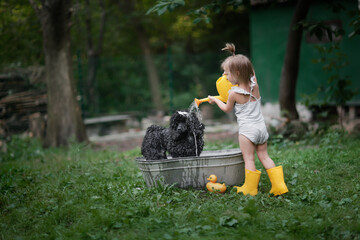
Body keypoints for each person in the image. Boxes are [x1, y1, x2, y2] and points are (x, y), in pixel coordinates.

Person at [208, 43, 288, 196]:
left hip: (247, 132)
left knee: (249, 159)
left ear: (237, 73)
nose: (225, 77)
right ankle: (279, 185)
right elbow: (250, 70)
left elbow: (226, 108)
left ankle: (250, 189)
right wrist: (236, 57)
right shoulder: (254, 85)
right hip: (261, 129)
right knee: (264, 156)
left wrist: (215, 100)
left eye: (227, 74)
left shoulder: (233, 93)